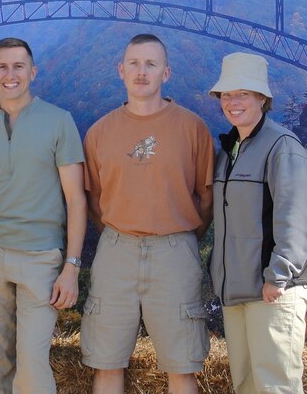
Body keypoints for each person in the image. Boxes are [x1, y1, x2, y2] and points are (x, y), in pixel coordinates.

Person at [0, 37, 87, 394]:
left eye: (18, 66)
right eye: (2, 67)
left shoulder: (60, 122)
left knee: (32, 363)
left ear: (33, 72)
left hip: (41, 257)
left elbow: (76, 199)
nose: (10, 75)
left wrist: (71, 266)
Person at [81, 33, 213, 394]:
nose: (142, 72)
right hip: (116, 249)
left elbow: (206, 197)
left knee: (182, 366)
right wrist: (121, 229)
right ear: (121, 70)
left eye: (151, 64)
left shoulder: (192, 128)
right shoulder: (98, 133)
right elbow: (94, 200)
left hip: (175, 251)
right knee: (106, 363)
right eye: (135, 64)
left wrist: (178, 236)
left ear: (166, 73)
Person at [208, 52, 307, 394]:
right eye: (227, 94)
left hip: (273, 290)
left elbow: (296, 218)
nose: (233, 102)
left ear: (262, 98)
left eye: (242, 93)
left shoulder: (282, 146)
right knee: (246, 385)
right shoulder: (229, 150)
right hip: (237, 289)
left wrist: (278, 275)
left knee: (275, 386)